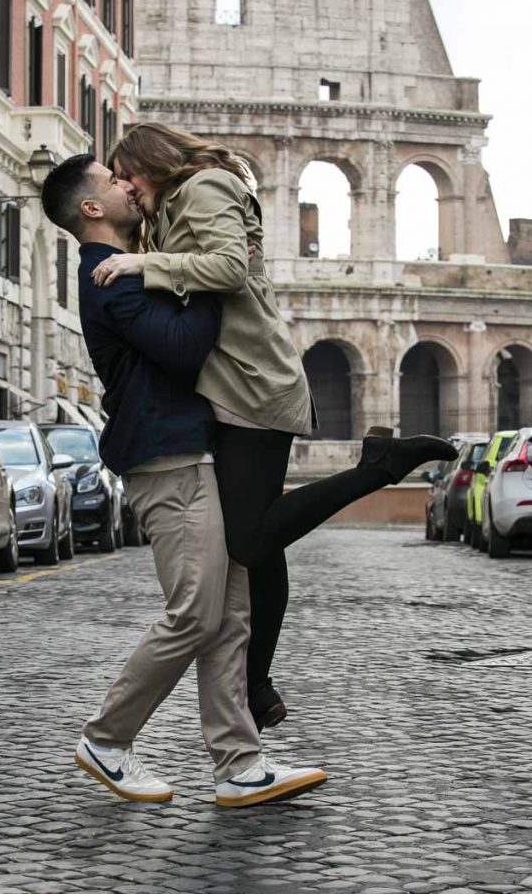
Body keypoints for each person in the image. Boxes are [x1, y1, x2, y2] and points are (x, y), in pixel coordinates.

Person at [92, 122, 457, 732]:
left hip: (254, 384)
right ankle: (257, 685)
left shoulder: (204, 185)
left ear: (149, 162)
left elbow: (230, 267)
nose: (126, 188)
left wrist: (143, 266)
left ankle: (378, 468)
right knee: (256, 547)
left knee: (253, 542)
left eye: (126, 174)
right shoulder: (177, 203)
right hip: (232, 385)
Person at [41, 152, 329, 808]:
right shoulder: (107, 276)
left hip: (187, 450)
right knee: (196, 611)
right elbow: (181, 348)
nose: (126, 185)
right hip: (164, 459)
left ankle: (239, 764)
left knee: (229, 615)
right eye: (112, 182)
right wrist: (210, 277)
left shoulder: (127, 268)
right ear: (91, 209)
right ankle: (107, 738)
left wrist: (182, 261)